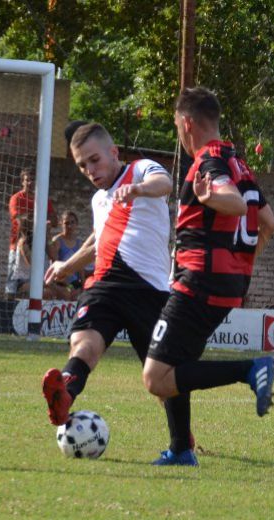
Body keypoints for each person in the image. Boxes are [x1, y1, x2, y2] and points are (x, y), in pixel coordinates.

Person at [141, 87, 274, 466]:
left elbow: (232, 202)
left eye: (176, 127)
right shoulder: (238, 161)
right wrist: (239, 264)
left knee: (156, 377)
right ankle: (181, 449)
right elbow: (267, 224)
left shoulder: (208, 162)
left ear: (186, 124)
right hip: (225, 283)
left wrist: (209, 198)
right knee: (175, 364)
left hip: (198, 280)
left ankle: (250, 369)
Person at [42, 124, 176, 434]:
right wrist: (66, 266)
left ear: (113, 152)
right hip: (105, 284)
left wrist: (138, 189)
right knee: (84, 345)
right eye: (81, 165)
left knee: (161, 380)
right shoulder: (98, 200)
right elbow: (97, 242)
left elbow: (164, 182)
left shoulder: (141, 169)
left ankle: (182, 439)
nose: (89, 170)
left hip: (148, 289)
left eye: (94, 160)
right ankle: (65, 393)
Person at [5, 167, 55, 295]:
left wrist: (45, 220)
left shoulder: (44, 198)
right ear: (22, 181)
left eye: (33, 180)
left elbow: (54, 221)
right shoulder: (16, 198)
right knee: (13, 285)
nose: (30, 183)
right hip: (18, 244)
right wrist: (40, 219)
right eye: (27, 180)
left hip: (39, 246)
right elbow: (20, 220)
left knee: (40, 283)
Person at [49, 210, 86, 297]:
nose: (69, 226)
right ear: (61, 224)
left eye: (72, 222)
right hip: (60, 282)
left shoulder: (78, 243)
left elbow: (80, 266)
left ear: (76, 224)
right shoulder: (57, 240)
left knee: (75, 293)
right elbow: (53, 261)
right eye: (66, 223)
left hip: (74, 283)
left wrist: (83, 284)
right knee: (67, 293)